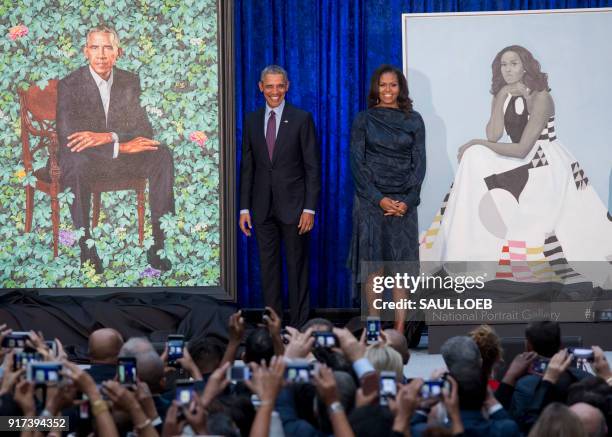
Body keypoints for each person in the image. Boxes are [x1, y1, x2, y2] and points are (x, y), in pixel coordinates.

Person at [420, 45, 612, 286]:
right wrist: (500, 97)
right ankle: (466, 243)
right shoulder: (505, 94)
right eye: (503, 65)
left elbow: (523, 149)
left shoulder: (541, 97)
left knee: (476, 150)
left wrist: (475, 142)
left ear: (525, 67)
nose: (508, 69)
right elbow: (493, 136)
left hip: (543, 162)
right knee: (474, 156)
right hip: (517, 159)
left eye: (514, 64)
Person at [57, 25, 175, 274]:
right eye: (95, 47)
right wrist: (120, 144)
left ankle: (158, 243)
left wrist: (108, 138)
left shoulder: (130, 80)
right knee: (75, 162)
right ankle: (86, 247)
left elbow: (143, 129)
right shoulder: (69, 84)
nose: (101, 55)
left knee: (161, 154)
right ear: (85, 51)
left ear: (117, 53)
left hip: (118, 155)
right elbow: (71, 137)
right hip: (86, 159)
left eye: (107, 47)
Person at [239, 65, 321, 328]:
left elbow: (312, 167)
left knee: (297, 269)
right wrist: (244, 209)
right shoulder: (251, 120)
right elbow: (247, 167)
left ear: (287, 87)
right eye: (269, 86)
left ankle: (298, 327)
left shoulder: (301, 118)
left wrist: (310, 208)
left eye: (280, 86)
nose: (275, 91)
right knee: (269, 271)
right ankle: (274, 327)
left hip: (295, 209)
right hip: (261, 208)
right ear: (261, 87)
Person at [348, 64, 426, 333]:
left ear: (400, 88)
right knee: (375, 268)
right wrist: (379, 199)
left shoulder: (414, 120)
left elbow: (420, 164)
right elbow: (357, 165)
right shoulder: (363, 120)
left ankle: (399, 333)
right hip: (372, 204)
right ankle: (373, 329)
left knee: (401, 271)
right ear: (375, 89)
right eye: (383, 85)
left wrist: (407, 200)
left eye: (393, 85)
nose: (388, 90)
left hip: (404, 204)